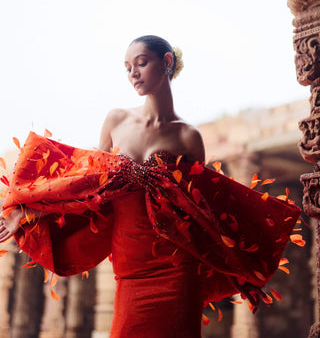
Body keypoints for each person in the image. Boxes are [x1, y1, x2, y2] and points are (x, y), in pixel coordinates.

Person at [0, 35, 301, 338]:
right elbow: (88, 185)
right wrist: (27, 211)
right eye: (128, 67)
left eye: (141, 63)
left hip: (178, 268)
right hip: (131, 265)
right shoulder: (116, 121)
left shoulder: (188, 138)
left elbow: (194, 211)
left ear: (167, 62)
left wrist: (237, 266)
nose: (133, 73)